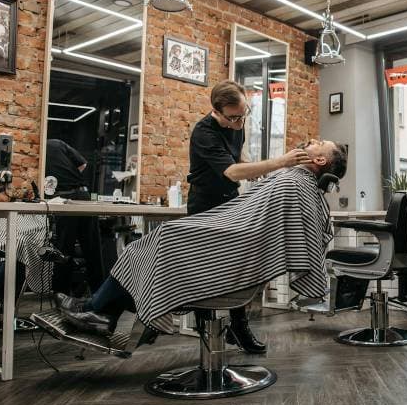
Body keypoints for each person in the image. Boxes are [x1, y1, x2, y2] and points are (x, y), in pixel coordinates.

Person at [54, 139, 348, 340]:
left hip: (234, 255)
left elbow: (251, 227)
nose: (312, 140)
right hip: (235, 246)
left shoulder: (293, 182)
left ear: (319, 159)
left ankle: (97, 310)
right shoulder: (294, 182)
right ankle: (100, 312)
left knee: (162, 238)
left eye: (319, 143)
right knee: (148, 248)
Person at [185, 80, 312, 353]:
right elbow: (231, 172)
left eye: (244, 115)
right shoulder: (204, 133)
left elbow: (239, 159)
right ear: (217, 112)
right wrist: (281, 161)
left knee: (239, 265)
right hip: (204, 205)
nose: (240, 122)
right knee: (204, 270)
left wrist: (259, 170)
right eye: (234, 118)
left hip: (230, 201)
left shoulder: (237, 122)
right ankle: (207, 332)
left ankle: (239, 328)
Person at [45, 138, 106, 295]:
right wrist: (71, 178)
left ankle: (62, 294)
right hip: (83, 195)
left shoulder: (40, 152)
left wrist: (63, 182)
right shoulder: (58, 143)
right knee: (92, 249)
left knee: (64, 249)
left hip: (65, 198)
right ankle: (100, 294)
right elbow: (82, 164)